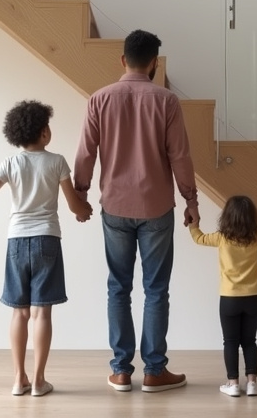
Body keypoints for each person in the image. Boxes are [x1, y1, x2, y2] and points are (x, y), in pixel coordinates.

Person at [73, 29, 200, 393]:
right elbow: (180, 155)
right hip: (156, 207)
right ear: (154, 64)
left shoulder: (99, 99)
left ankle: (121, 370)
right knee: (156, 289)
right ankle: (155, 371)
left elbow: (85, 152)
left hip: (114, 205)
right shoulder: (166, 101)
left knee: (118, 288)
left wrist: (80, 196)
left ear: (122, 59)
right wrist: (191, 201)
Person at [0, 100, 92, 397]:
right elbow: (73, 204)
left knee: (19, 313)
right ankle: (39, 381)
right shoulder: (57, 162)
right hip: (47, 241)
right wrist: (84, 210)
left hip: (16, 242)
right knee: (41, 314)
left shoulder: (10, 163)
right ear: (43, 132)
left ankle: (18, 379)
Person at [188, 195, 257, 397]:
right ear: (252, 217)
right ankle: (252, 383)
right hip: (253, 299)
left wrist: (194, 224)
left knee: (231, 341)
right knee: (250, 341)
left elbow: (198, 238)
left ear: (227, 217)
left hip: (229, 299)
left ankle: (233, 383)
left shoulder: (222, 237)